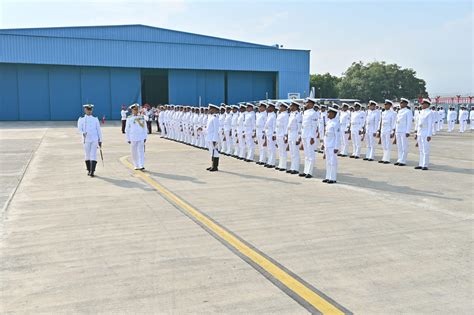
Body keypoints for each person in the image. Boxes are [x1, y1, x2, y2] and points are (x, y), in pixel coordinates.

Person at [77, 104, 102, 177]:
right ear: (85, 110)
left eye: (90, 109)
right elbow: (79, 129)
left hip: (94, 139)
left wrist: (100, 140)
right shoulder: (81, 119)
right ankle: (88, 169)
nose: (89, 111)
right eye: (88, 109)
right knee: (87, 155)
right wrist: (82, 133)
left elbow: (98, 130)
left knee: (93, 154)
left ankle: (92, 171)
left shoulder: (95, 119)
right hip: (86, 140)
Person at [299, 98, 319, 178]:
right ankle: (305, 171)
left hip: (310, 136)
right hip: (304, 135)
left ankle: (309, 172)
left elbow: (314, 127)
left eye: (307, 103)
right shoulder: (305, 112)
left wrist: (312, 137)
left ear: (311, 104)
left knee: (311, 154)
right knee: (306, 154)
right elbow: (303, 125)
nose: (305, 104)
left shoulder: (314, 113)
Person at [125, 104, 147, 170]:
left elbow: (145, 127)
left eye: (137, 109)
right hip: (133, 137)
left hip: (141, 137)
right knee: (134, 152)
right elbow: (127, 129)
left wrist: (145, 136)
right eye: (134, 109)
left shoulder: (142, 117)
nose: (136, 111)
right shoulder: (129, 118)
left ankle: (141, 165)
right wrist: (128, 138)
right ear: (131, 110)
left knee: (141, 151)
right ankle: (136, 165)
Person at [322, 106, 340, 184]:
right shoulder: (329, 122)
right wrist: (323, 144)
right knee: (328, 161)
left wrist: (336, 147)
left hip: (332, 145)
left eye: (329, 112)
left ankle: (333, 178)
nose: (327, 114)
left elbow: (337, 136)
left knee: (333, 162)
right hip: (327, 144)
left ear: (333, 113)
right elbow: (326, 134)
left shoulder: (336, 123)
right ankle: (328, 176)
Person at [414, 99, 434, 170]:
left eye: (423, 104)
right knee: (421, 149)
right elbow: (418, 123)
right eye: (421, 104)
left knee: (425, 149)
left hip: (425, 133)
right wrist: (416, 133)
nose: (421, 105)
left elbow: (430, 124)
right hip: (420, 132)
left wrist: (429, 135)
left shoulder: (430, 112)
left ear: (427, 105)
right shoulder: (421, 112)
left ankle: (425, 165)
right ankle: (421, 163)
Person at [394, 98, 413, 166]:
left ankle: (403, 160)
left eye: (402, 103)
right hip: (398, 130)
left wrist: (408, 131)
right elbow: (397, 121)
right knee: (399, 146)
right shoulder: (399, 111)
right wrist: (395, 130)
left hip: (404, 131)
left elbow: (409, 122)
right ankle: (399, 159)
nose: (400, 104)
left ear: (405, 104)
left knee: (404, 146)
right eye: (400, 103)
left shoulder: (408, 111)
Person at [286, 100, 302, 174]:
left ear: (295, 106)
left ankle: (296, 169)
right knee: (292, 152)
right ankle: (292, 167)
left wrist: (299, 138)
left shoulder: (298, 115)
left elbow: (299, 127)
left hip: (295, 134)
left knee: (295, 152)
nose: (290, 107)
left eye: (291, 106)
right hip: (290, 134)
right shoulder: (291, 114)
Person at [206, 104, 220, 172]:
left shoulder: (215, 118)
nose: (209, 110)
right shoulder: (210, 117)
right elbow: (209, 129)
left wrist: (215, 139)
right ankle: (212, 165)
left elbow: (216, 130)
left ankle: (215, 166)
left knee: (215, 152)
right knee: (212, 152)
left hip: (213, 138)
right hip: (209, 137)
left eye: (210, 109)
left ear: (214, 110)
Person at [275, 102, 289, 171]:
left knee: (283, 151)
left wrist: (286, 136)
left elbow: (286, 126)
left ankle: (283, 166)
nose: (279, 108)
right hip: (279, 134)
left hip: (282, 135)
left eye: (280, 107)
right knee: (280, 150)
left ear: (284, 107)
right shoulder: (280, 114)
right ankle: (280, 164)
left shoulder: (286, 115)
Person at [264, 101, 277, 168]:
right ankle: (269, 161)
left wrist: (274, 134)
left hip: (271, 134)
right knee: (269, 148)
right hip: (268, 133)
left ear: (272, 108)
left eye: (268, 107)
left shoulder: (273, 115)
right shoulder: (269, 115)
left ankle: (272, 163)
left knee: (272, 149)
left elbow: (275, 126)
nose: (267, 108)